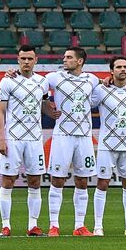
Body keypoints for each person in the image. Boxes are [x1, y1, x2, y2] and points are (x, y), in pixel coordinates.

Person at [41, 48, 104, 236]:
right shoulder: (54, 77)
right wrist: (47, 107)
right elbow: (35, 88)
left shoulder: (91, 79)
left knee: (82, 181)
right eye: (64, 57)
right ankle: (54, 225)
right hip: (63, 136)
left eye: (69, 57)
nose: (64, 59)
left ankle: (79, 226)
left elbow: (105, 85)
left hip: (84, 136)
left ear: (80, 61)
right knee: (57, 179)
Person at [0, 46, 45, 236]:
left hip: (35, 138)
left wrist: (53, 112)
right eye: (23, 58)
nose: (26, 62)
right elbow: (0, 111)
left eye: (29, 59)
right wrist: (1, 138)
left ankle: (33, 225)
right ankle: (5, 225)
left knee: (35, 180)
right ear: (18, 59)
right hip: (13, 138)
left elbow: (45, 104)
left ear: (36, 60)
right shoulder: (8, 81)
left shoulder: (43, 82)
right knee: (8, 180)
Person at [93, 59, 126, 236]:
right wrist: (101, 80)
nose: (123, 70)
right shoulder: (101, 90)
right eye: (118, 67)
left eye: (125, 67)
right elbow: (87, 99)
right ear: (111, 70)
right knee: (103, 183)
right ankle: (98, 226)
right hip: (107, 144)